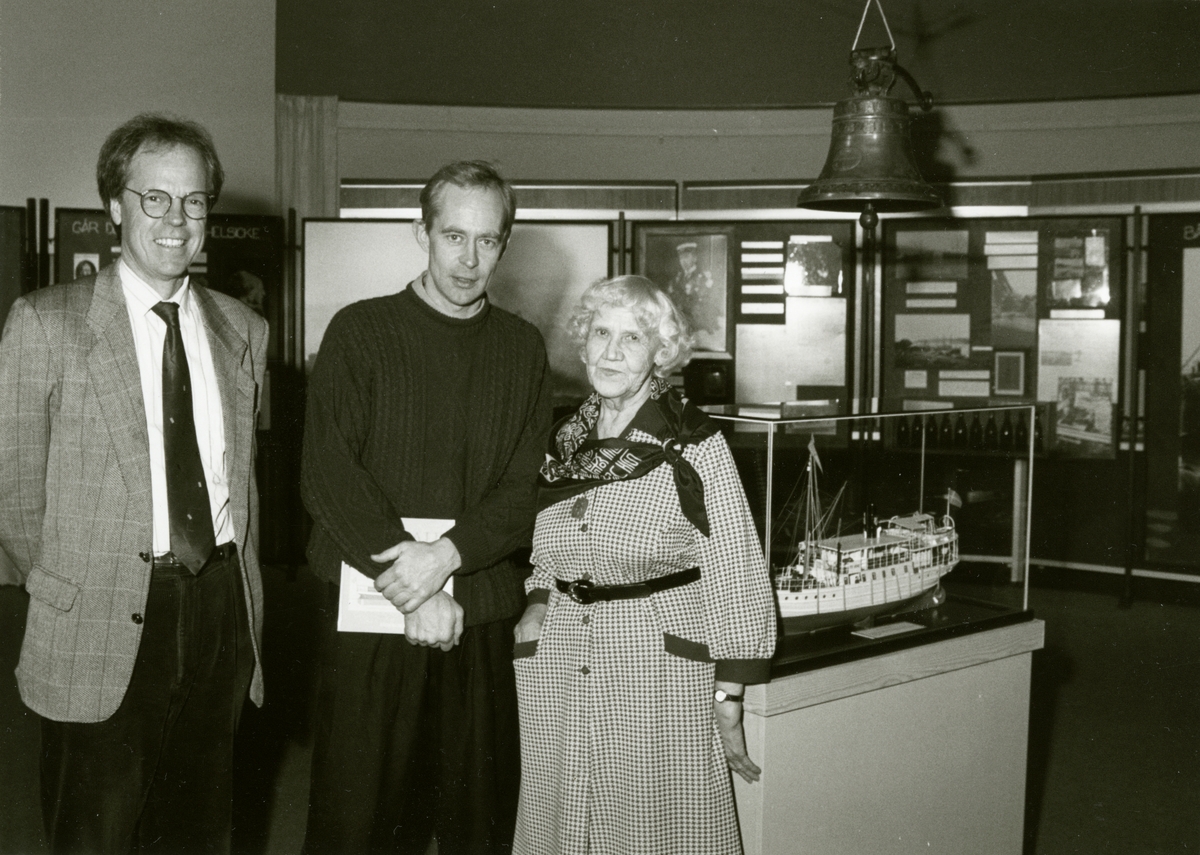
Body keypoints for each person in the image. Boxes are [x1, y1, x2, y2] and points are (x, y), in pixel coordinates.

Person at [0, 114, 269, 853]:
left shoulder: (243, 329)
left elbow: (242, 484)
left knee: (199, 831)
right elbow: (13, 490)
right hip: (98, 613)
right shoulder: (45, 324)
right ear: (114, 207)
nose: (176, 219)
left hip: (219, 608)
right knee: (95, 832)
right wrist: (70, 581)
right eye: (155, 198)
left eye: (193, 201)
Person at [301, 160, 552, 855]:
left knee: (479, 825)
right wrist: (413, 586)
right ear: (422, 234)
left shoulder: (522, 347)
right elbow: (328, 474)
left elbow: (526, 484)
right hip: (370, 610)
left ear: (505, 244)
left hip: (479, 610)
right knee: (356, 827)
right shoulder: (360, 331)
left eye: (487, 240)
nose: (469, 260)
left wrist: (445, 558)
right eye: (453, 236)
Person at [512, 275, 776, 855]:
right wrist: (537, 602)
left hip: (652, 664)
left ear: (661, 353)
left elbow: (735, 568)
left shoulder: (693, 444)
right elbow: (549, 545)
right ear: (583, 344)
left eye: (632, 338)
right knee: (562, 816)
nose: (611, 352)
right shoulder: (565, 440)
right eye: (600, 333)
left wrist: (728, 699)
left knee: (651, 824)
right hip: (560, 658)